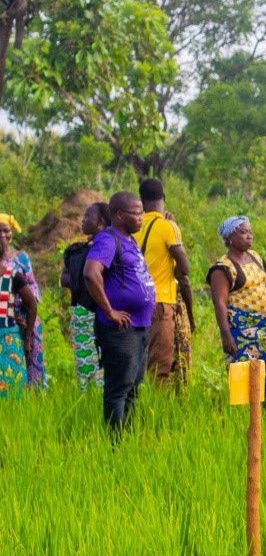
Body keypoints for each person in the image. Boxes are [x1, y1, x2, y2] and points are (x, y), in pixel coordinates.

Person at [82, 192, 157, 431]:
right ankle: (115, 446)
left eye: (142, 212)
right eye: (136, 213)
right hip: (120, 329)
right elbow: (90, 273)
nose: (141, 217)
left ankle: (128, 438)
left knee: (134, 386)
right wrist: (110, 311)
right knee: (119, 388)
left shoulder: (130, 240)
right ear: (119, 214)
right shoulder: (107, 239)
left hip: (139, 326)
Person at [208, 216, 266, 407]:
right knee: (247, 379)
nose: (249, 236)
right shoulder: (223, 268)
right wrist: (226, 336)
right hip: (242, 334)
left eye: (250, 232)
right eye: (243, 232)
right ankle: (250, 422)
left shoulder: (255, 257)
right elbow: (220, 304)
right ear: (230, 238)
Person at [135, 179, 195, 388]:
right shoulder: (168, 226)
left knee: (139, 364)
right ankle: (155, 413)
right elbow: (185, 268)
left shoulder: (134, 227)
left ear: (141, 201)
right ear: (164, 198)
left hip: (134, 304)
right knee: (159, 367)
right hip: (160, 303)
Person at [60, 202, 111, 392]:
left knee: (105, 365)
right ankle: (86, 402)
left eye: (87, 217)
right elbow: (63, 278)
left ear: (101, 222)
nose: (83, 220)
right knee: (84, 365)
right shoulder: (77, 250)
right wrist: (84, 283)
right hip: (83, 312)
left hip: (106, 311)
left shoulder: (112, 248)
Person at [0, 212, 45, 389]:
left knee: (30, 359)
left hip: (26, 318)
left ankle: (33, 399)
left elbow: (32, 286)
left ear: (12, 232)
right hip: (5, 319)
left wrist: (21, 312)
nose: (2, 235)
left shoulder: (22, 257)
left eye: (6, 230)